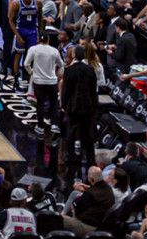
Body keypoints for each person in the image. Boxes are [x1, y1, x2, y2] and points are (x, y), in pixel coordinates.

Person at [60, 43, 100, 175]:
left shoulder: (69, 70)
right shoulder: (90, 69)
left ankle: (70, 158)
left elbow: (66, 91)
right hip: (88, 107)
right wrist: (94, 106)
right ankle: (90, 159)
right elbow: (93, 90)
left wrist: (64, 105)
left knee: (71, 133)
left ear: (74, 55)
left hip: (73, 107)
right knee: (88, 134)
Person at [24, 28, 64, 132]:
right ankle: (54, 125)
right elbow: (61, 65)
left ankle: (40, 127)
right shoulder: (54, 51)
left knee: (40, 104)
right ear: (48, 39)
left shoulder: (33, 49)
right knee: (54, 103)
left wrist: (31, 72)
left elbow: (26, 64)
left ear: (38, 39)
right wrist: (58, 75)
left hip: (38, 82)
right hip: (52, 82)